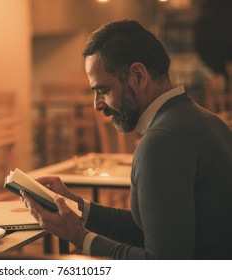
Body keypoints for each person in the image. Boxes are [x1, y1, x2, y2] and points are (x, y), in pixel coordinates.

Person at [22, 20, 232, 259]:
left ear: (138, 76)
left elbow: (165, 266)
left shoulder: (161, 142)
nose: (97, 105)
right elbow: (154, 231)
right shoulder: (209, 121)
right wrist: (77, 207)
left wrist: (80, 238)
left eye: (103, 90)